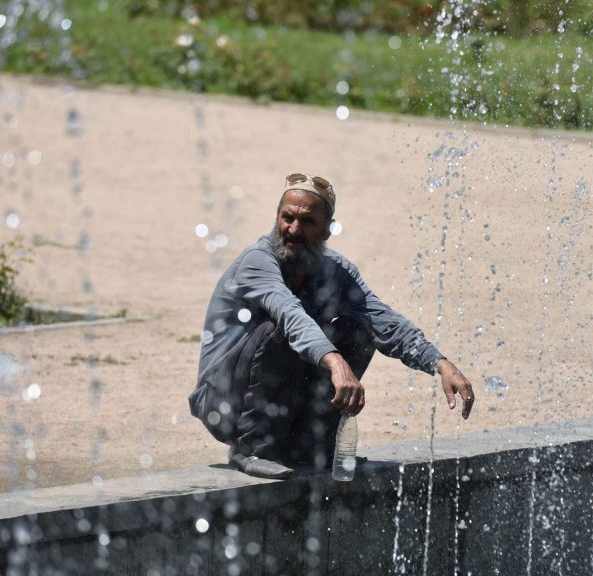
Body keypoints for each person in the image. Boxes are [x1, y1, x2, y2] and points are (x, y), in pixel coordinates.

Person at [189, 173, 475, 479]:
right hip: (224, 404)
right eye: (287, 218)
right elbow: (289, 314)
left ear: (327, 230)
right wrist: (335, 361)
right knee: (281, 330)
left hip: (279, 400)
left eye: (307, 222)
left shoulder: (336, 270)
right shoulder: (257, 261)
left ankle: (311, 447)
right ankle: (253, 448)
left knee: (359, 328)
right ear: (277, 218)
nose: (293, 229)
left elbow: (382, 319)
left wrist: (439, 363)